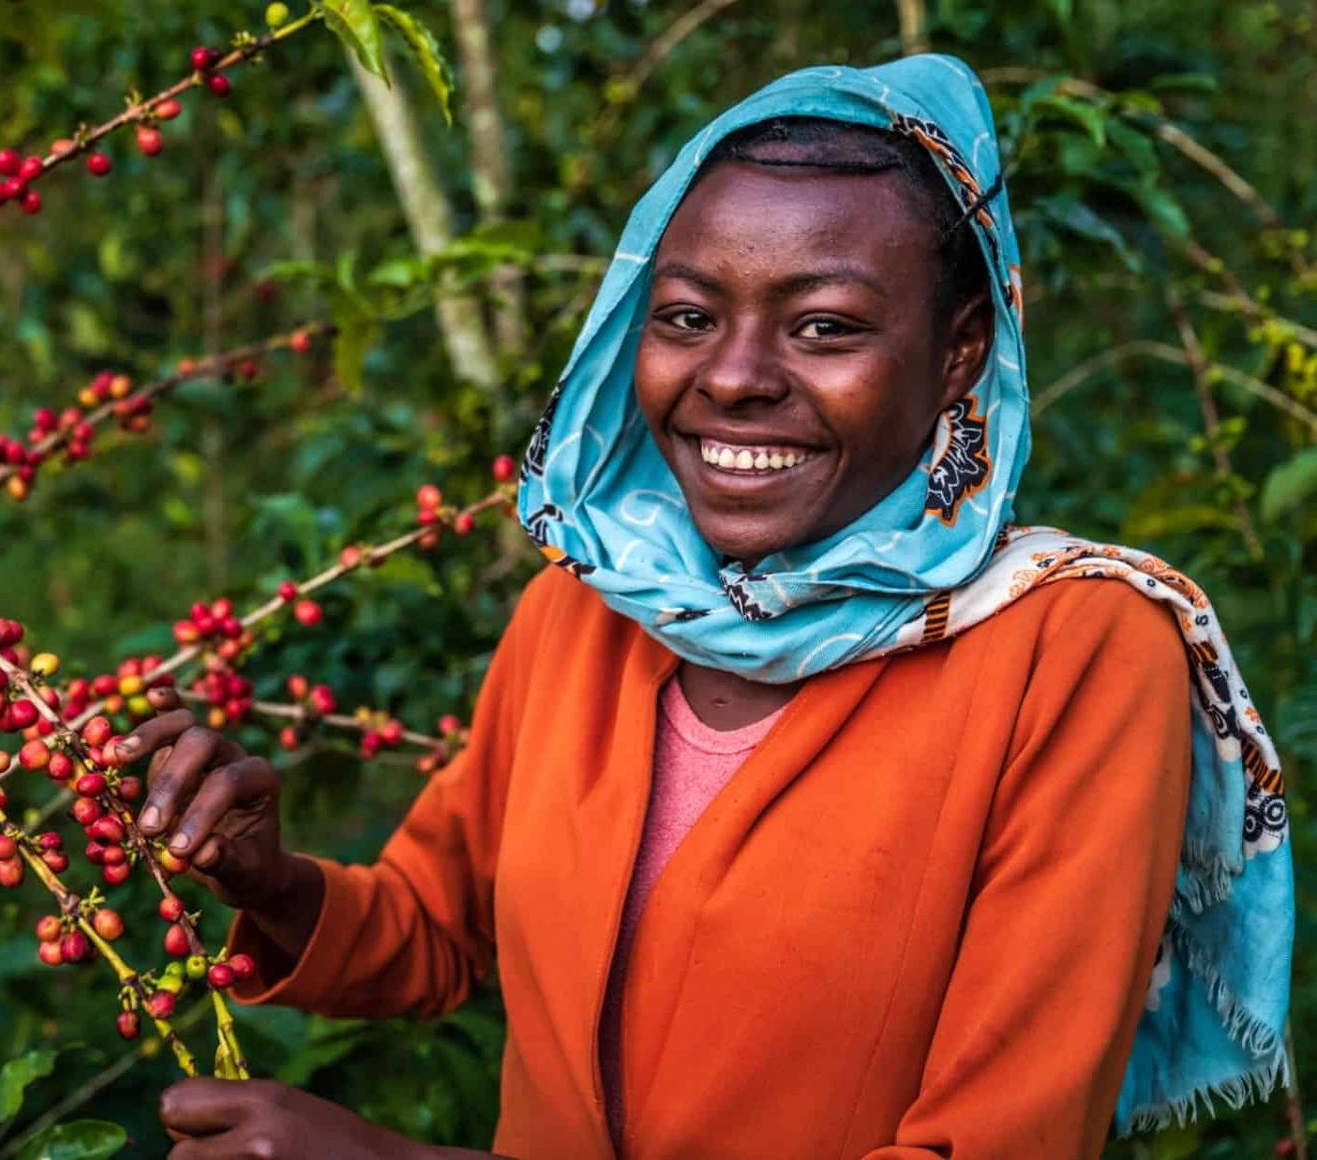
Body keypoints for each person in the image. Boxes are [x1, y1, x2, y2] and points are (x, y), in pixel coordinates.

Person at [111, 56, 1293, 1159]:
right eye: (686, 316)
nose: (732, 375)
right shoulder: (583, 612)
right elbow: (436, 926)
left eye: (824, 325)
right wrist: (270, 880)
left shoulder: (1075, 649)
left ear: (957, 353)